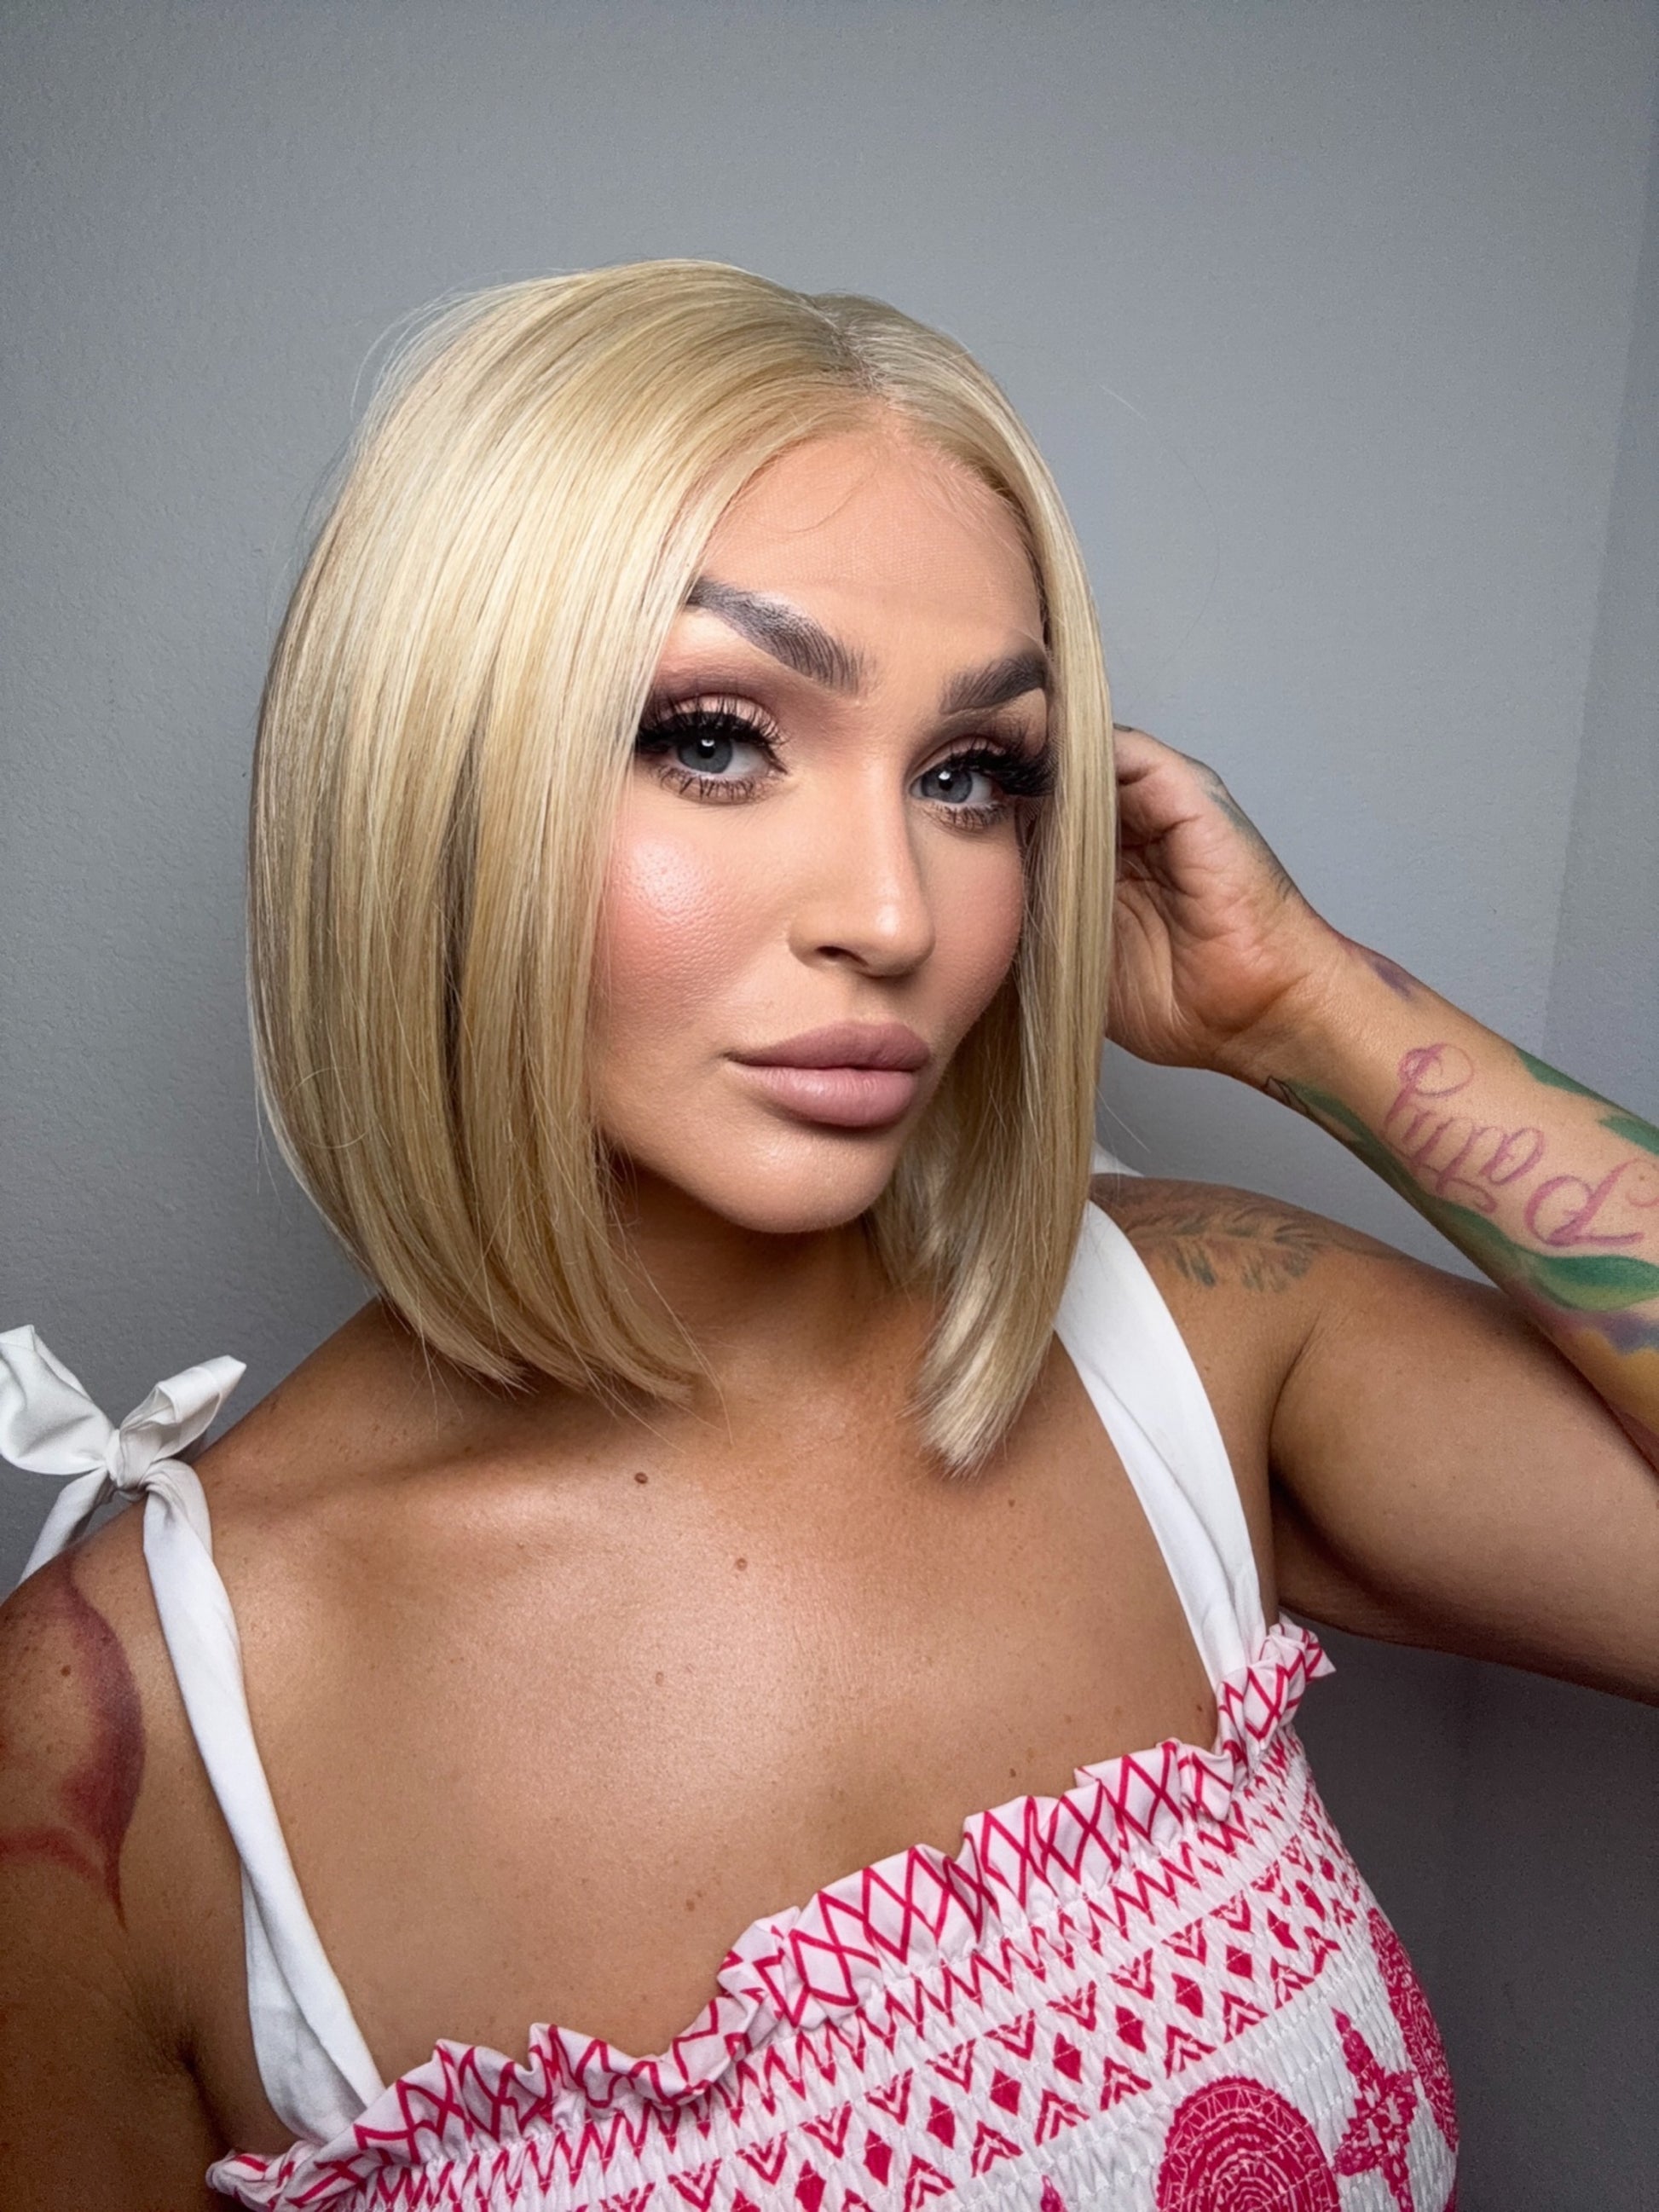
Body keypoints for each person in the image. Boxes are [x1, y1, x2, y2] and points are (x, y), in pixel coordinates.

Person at [0, 261, 1652, 2212]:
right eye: (713, 736)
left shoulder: (1192, 1339)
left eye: (973, 775)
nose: (892, 910)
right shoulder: (118, 1739)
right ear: (429, 781)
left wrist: (1306, 1003)